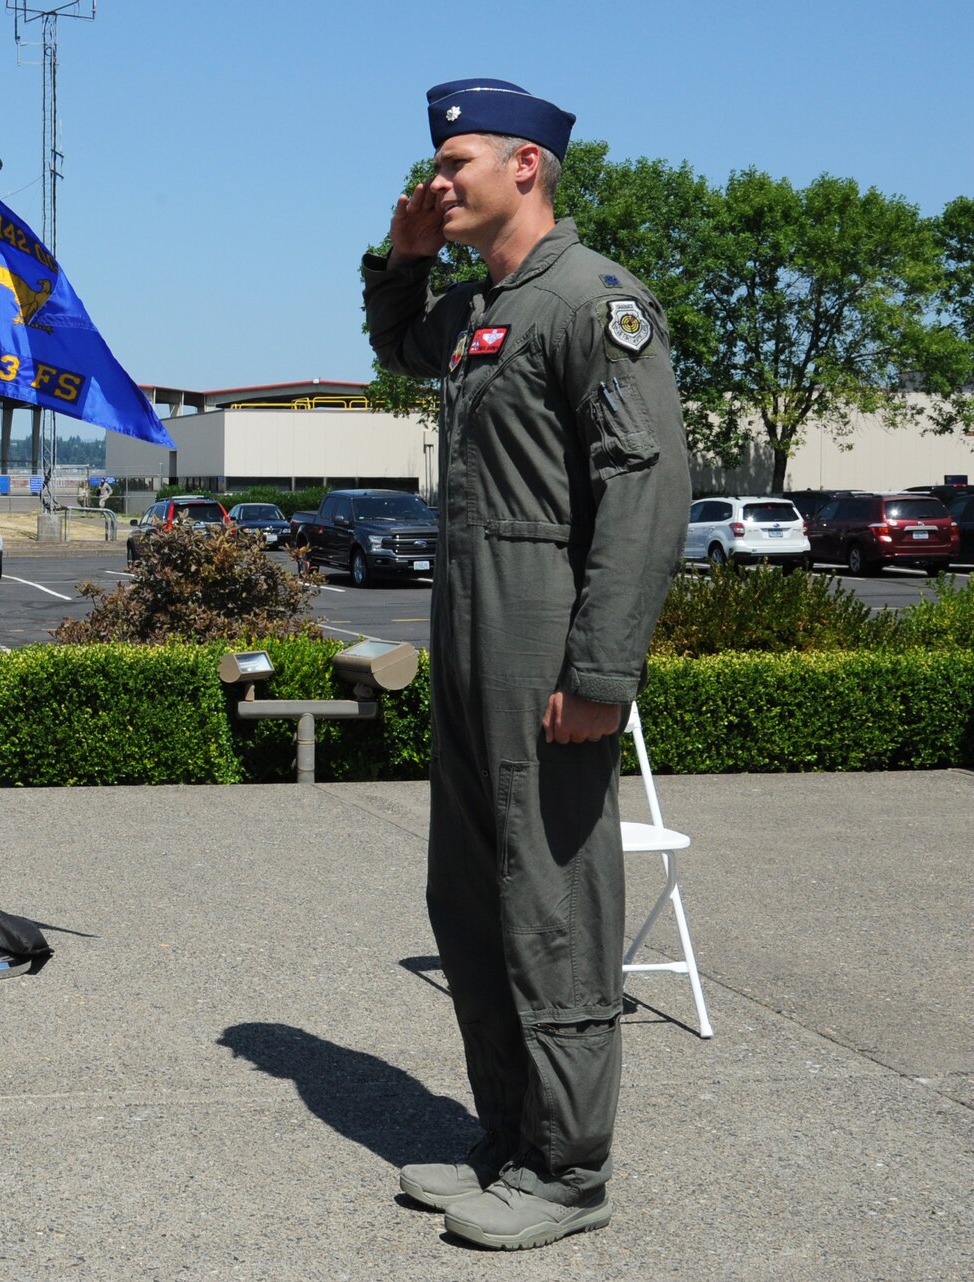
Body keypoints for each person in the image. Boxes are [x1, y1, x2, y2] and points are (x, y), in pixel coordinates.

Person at [361, 80, 690, 1250]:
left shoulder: (592, 303)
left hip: (540, 623)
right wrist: (399, 259)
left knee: (548, 898)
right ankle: (504, 1138)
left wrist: (600, 669)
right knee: (468, 891)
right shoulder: (484, 305)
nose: (436, 180)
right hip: (465, 618)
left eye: (455, 162)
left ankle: (566, 1169)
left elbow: (647, 493)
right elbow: (402, 347)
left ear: (525, 168)